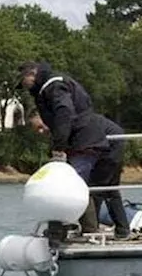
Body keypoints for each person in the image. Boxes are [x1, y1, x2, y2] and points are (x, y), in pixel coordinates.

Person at [20, 61, 131, 239]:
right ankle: (117, 229)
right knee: (103, 187)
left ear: (32, 74)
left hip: (85, 141)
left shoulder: (54, 86)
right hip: (90, 139)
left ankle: (82, 229)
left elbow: (64, 113)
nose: (24, 87)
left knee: (74, 185)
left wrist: (59, 148)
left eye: (23, 81)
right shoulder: (53, 86)